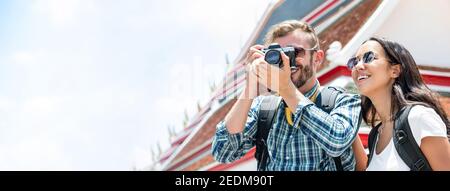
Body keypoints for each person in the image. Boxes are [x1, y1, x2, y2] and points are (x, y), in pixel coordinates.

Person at [211, 20, 361, 171]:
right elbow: (223, 152)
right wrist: (250, 88)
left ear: (317, 58)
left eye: (295, 52)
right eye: (278, 54)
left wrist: (285, 88)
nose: (287, 61)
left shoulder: (344, 100)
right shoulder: (264, 109)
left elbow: (337, 141)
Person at [349, 37, 450, 170]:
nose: (358, 66)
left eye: (369, 57)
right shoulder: (375, 135)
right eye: (354, 62)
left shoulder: (419, 117)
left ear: (395, 70)